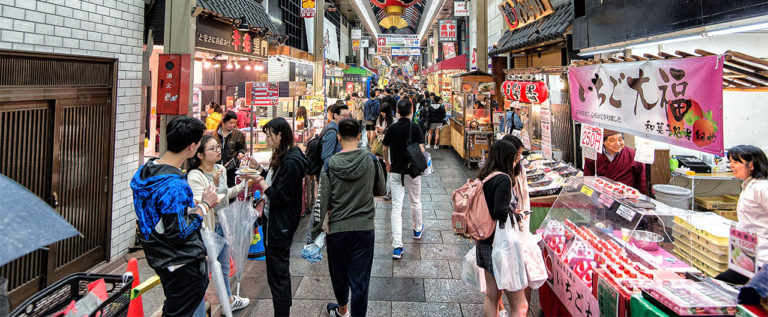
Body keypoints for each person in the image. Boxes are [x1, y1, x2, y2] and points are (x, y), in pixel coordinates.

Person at [130, 117, 217, 317]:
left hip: (159, 256)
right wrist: (204, 205)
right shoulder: (174, 185)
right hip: (182, 263)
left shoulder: (144, 172)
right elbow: (177, 232)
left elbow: (161, 217)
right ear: (192, 147)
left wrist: (187, 209)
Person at [312, 119, 382, 317]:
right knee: (360, 279)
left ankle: (342, 311)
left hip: (337, 229)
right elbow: (381, 189)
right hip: (364, 228)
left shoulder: (330, 165)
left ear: (339, 137)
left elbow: (322, 200)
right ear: (360, 136)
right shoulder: (371, 160)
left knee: (339, 273)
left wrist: (315, 233)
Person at [186, 135, 253, 311]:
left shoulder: (218, 168)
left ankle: (227, 301)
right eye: (212, 148)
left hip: (222, 223)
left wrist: (244, 184)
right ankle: (204, 304)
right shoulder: (194, 176)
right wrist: (214, 182)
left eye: (218, 147)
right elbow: (204, 202)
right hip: (207, 229)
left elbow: (226, 193)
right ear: (200, 155)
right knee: (204, 271)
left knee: (223, 267)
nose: (218, 151)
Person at [251, 118, 309, 316]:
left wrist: (258, 180)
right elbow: (277, 181)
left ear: (280, 135)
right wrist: (259, 170)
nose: (266, 139)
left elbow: (280, 197)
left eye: (269, 135)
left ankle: (282, 311)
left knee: (278, 275)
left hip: (280, 226)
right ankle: (283, 307)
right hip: (276, 223)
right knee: (278, 273)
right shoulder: (285, 156)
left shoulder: (291, 162)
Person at [474, 140, 528, 317]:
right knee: (520, 305)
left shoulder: (485, 176)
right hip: (500, 245)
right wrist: (519, 215)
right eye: (515, 157)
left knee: (492, 296)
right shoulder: (503, 180)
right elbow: (500, 212)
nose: (516, 161)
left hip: (484, 241)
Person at [714, 145, 768, 285]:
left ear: (752, 165)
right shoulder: (748, 186)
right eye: (730, 161)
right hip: (748, 255)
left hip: (763, 258)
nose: (731, 165)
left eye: (736, 162)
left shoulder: (762, 187)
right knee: (722, 284)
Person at [382, 100, 425, 259]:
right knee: (416, 201)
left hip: (395, 171)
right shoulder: (415, 127)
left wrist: (387, 163)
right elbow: (421, 148)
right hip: (413, 172)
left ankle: (397, 246)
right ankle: (417, 229)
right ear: (412, 110)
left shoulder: (392, 128)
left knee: (397, 208)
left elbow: (385, 148)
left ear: (398, 112)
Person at [583, 130, 647, 194]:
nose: (618, 143)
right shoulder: (593, 155)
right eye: (612, 140)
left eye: (620, 139)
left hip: (627, 198)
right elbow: (587, 180)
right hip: (601, 197)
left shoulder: (633, 155)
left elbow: (643, 181)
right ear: (603, 142)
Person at [215, 111, 247, 188]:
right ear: (223, 121)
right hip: (216, 168)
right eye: (230, 123)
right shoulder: (214, 134)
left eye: (234, 123)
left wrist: (241, 153)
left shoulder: (238, 134)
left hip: (231, 168)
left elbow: (242, 148)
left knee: (230, 191)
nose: (232, 125)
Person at [376, 104, 395, 201]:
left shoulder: (392, 121)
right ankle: (384, 189)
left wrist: (383, 131)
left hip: (388, 147)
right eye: (381, 112)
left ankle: (390, 191)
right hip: (380, 146)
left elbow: (392, 134)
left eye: (384, 112)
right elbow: (377, 130)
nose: (382, 114)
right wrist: (378, 131)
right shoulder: (379, 119)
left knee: (389, 168)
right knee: (383, 169)